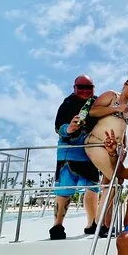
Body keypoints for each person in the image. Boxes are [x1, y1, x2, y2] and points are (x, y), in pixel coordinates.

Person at [84, 77, 128, 237]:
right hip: (96, 143)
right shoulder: (112, 95)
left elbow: (123, 129)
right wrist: (117, 108)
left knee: (111, 182)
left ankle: (103, 223)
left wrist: (125, 147)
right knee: (116, 181)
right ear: (125, 84)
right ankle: (98, 223)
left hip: (114, 150)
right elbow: (93, 111)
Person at [50, 75, 100, 240]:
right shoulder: (67, 104)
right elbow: (58, 127)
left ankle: (92, 223)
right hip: (69, 154)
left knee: (92, 188)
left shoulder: (97, 103)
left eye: (89, 87)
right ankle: (57, 225)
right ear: (74, 88)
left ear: (93, 88)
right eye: (81, 87)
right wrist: (69, 129)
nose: (85, 90)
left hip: (91, 154)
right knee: (65, 190)